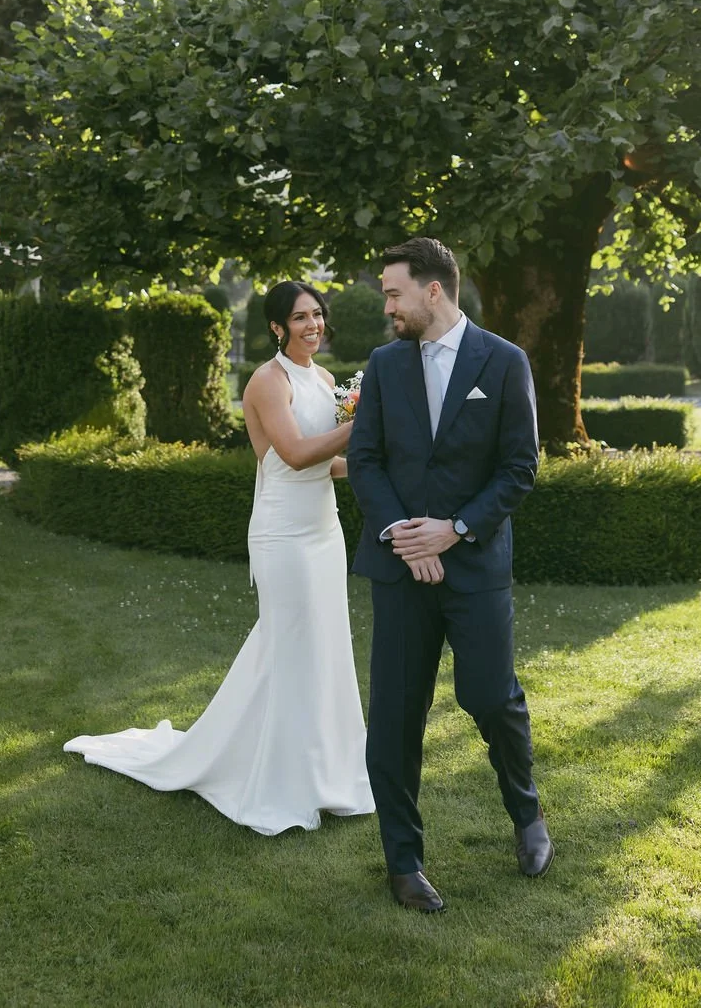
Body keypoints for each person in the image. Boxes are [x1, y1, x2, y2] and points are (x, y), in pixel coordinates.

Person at [64, 280, 374, 835]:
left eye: (317, 314)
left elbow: (326, 465)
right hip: (283, 533)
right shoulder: (267, 381)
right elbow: (294, 454)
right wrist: (363, 426)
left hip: (323, 529)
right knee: (290, 643)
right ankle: (281, 777)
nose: (313, 325)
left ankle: (328, 769)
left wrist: (371, 466)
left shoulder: (326, 380)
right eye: (300, 318)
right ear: (277, 327)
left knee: (323, 643)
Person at [347, 237, 552, 912]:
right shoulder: (383, 365)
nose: (388, 305)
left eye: (394, 292)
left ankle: (527, 814)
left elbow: (519, 466)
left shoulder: (504, 360)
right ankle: (403, 862)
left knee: (492, 698)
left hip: (475, 564)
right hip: (400, 566)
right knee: (394, 717)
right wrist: (405, 537)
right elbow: (367, 459)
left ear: (433, 289)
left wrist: (455, 528)